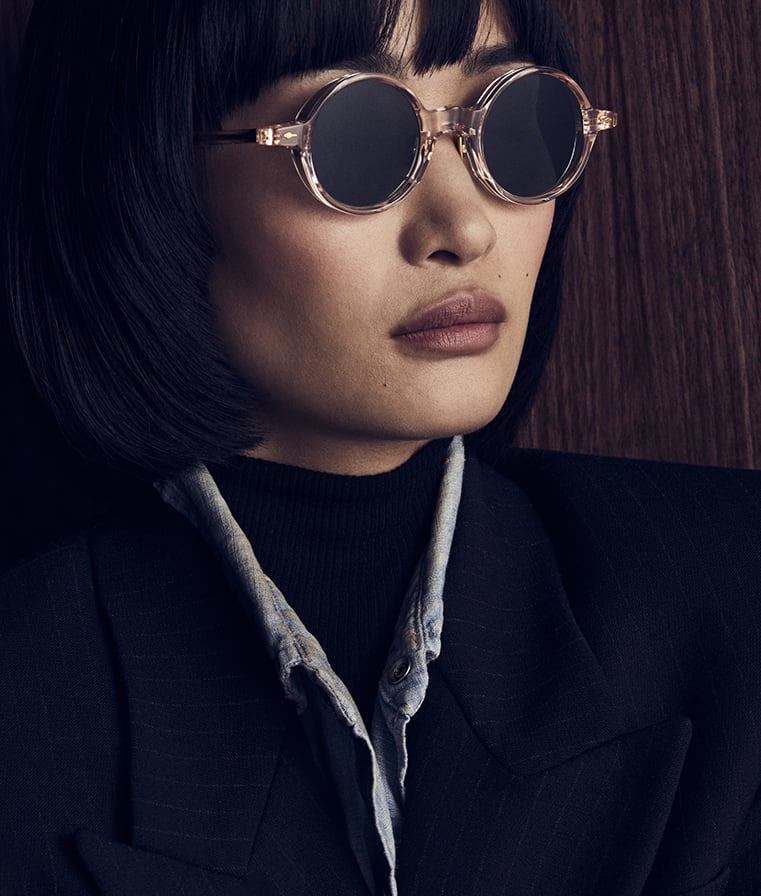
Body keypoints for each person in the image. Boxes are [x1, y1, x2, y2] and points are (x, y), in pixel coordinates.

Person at [1, 0, 759, 894]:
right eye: (355, 136)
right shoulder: (30, 704)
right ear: (145, 187)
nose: (466, 229)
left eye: (514, 118)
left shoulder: (732, 587)